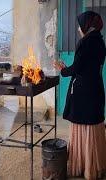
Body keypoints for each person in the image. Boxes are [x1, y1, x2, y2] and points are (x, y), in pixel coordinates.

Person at [53, 11, 106, 179]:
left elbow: (76, 68)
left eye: (79, 25)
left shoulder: (86, 42)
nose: (77, 28)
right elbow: (86, 66)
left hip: (84, 93)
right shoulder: (99, 41)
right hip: (96, 88)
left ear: (86, 26)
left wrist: (62, 69)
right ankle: (94, 166)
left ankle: (83, 166)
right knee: (93, 126)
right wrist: (67, 68)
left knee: (82, 125)